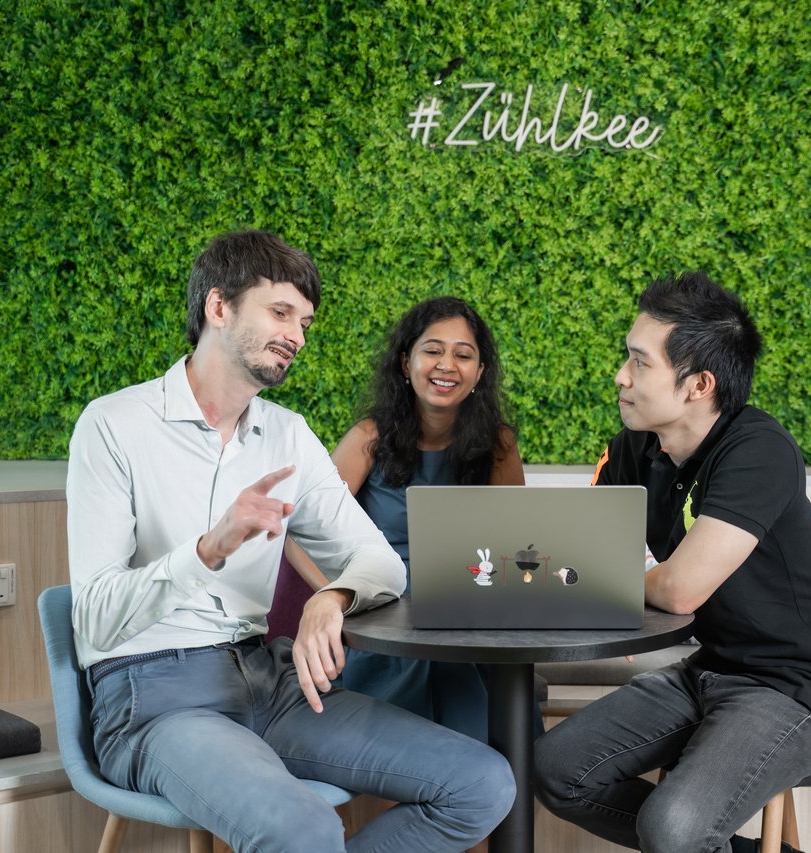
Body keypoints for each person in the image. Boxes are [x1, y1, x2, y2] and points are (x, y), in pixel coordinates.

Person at [67, 230, 515, 853]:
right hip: (155, 698)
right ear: (217, 307)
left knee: (483, 783)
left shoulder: (287, 434)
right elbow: (91, 616)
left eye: (304, 321)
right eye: (280, 313)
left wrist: (330, 598)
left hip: (269, 682)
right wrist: (207, 551)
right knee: (303, 828)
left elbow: (381, 562)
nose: (297, 336)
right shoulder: (114, 425)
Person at [532, 272, 811, 853]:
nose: (620, 376)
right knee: (557, 768)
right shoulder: (637, 449)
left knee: (673, 826)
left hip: (798, 688)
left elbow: (681, 590)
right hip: (708, 670)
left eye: (639, 363)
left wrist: (595, 580)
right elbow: (581, 557)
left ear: (698, 384)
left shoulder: (758, 450)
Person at [285, 295, 523, 743]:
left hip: (466, 621)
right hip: (384, 618)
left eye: (463, 354)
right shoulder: (367, 439)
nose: (446, 364)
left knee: (491, 729)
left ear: (480, 373)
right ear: (405, 362)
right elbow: (296, 532)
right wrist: (335, 596)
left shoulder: (498, 444)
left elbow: (516, 543)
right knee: (398, 741)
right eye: (432, 350)